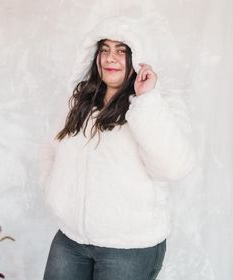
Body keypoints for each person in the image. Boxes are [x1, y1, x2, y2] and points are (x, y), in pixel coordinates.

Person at [40, 16, 197, 280]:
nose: (110, 58)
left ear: (137, 58)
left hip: (128, 248)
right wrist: (55, 194)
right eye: (105, 50)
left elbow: (175, 166)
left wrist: (146, 101)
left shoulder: (158, 104)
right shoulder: (80, 102)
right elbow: (50, 149)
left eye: (121, 51)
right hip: (70, 240)